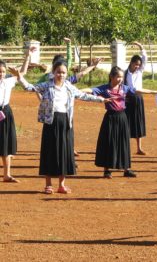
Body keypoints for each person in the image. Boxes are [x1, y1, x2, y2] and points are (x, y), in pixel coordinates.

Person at [12, 60, 107, 194]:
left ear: (66, 74)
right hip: (50, 122)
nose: (61, 75)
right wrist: (19, 77)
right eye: (58, 72)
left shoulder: (69, 86)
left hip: (65, 122)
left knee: (64, 152)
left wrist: (101, 100)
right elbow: (29, 88)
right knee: (49, 152)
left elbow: (83, 95)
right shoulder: (46, 85)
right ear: (53, 73)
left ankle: (61, 184)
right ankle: (48, 184)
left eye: (63, 73)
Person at [84, 66, 157, 179]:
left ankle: (126, 169)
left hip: (123, 118)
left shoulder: (124, 88)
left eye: (122, 77)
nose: (120, 79)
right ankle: (107, 170)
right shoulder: (105, 88)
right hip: (110, 118)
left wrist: (152, 91)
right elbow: (91, 90)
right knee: (108, 143)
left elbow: (137, 90)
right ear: (111, 77)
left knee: (123, 143)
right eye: (118, 76)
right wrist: (75, 90)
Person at [0, 47, 33, 183]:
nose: (0, 74)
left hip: (5, 113)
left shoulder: (9, 81)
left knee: (5, 144)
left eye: (2, 71)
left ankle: (7, 175)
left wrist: (27, 57)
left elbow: (22, 73)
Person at [124, 42, 148, 155]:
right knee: (127, 122)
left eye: (139, 65)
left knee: (138, 122)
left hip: (138, 98)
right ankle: (126, 147)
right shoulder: (124, 73)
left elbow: (145, 58)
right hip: (128, 99)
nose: (137, 66)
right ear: (131, 63)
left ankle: (139, 148)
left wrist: (140, 46)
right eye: (136, 64)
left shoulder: (140, 71)